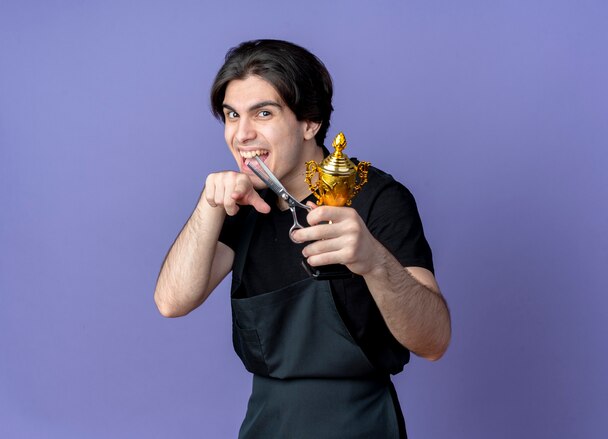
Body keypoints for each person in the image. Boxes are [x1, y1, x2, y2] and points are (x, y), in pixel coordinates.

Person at [154, 39, 451, 439]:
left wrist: (374, 262)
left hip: (359, 424)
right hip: (266, 425)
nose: (242, 134)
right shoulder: (242, 205)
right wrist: (208, 206)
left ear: (310, 122)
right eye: (231, 115)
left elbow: (434, 341)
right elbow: (172, 301)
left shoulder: (378, 198)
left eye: (263, 113)